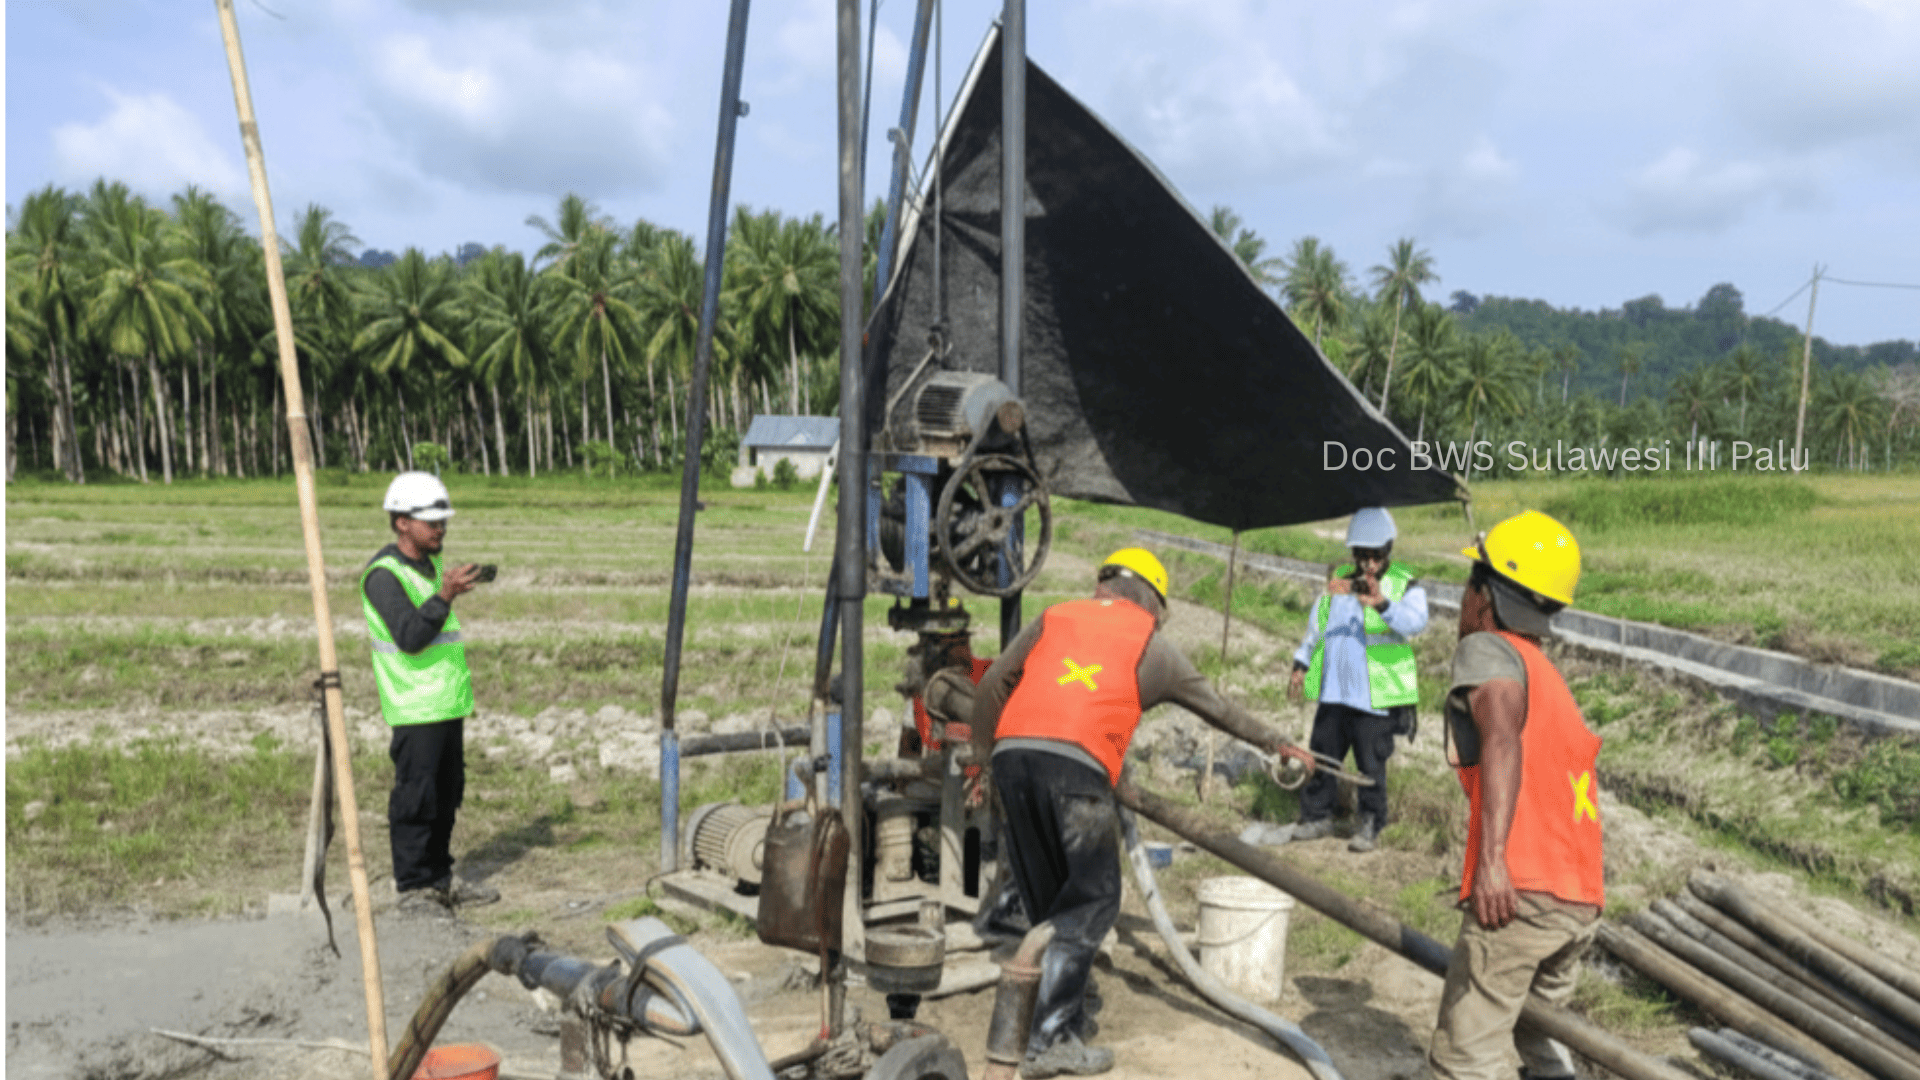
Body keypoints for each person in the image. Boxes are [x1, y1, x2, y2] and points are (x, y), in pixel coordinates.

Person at [968, 548, 1315, 1079]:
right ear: (1152, 600)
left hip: (1011, 760)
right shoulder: (1152, 644)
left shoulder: (1055, 617)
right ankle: (1050, 1040)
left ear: (1103, 584)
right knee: (1094, 899)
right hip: (1076, 772)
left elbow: (994, 683)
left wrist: (981, 762)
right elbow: (1218, 709)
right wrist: (1279, 743)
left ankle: (1057, 1014)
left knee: (1050, 900)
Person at [1428, 510, 1601, 1080]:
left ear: (1485, 596)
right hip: (1578, 899)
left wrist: (1493, 861)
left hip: (1521, 892)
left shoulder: (1490, 650)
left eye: (1468, 585)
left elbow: (1500, 735)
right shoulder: (1546, 676)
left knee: (1465, 1058)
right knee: (1535, 1034)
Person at [361, 471, 499, 914]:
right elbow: (409, 636)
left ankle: (441, 878)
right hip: (414, 706)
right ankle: (415, 887)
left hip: (445, 702)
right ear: (402, 522)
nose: (441, 528)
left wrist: (451, 586)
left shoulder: (431, 566)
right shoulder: (383, 577)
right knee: (416, 800)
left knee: (446, 795)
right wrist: (445, 596)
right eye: (431, 521)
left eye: (443, 521)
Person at [1286, 506, 1429, 852]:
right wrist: (1301, 662)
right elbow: (1317, 624)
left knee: (1370, 764)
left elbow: (1416, 622)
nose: (1369, 563)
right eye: (1362, 555)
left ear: (1388, 549)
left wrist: (1382, 604)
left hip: (1375, 697)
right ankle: (1317, 816)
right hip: (1335, 691)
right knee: (1324, 755)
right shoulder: (1338, 583)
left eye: (1376, 555)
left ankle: (1370, 822)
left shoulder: (1404, 583)